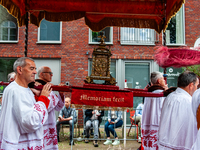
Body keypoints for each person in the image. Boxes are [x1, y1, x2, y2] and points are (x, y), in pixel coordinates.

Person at [0, 57, 51, 149]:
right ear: (20, 70)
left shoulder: (17, 88)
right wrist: (43, 99)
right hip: (21, 144)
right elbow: (30, 121)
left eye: (35, 69)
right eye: (31, 69)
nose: (35, 72)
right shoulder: (17, 91)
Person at [158, 71, 199, 150]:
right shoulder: (189, 101)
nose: (197, 89)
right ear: (191, 85)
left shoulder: (169, 97)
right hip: (181, 145)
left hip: (165, 144)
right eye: (197, 86)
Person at [32, 66, 65, 149]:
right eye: (50, 73)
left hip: (49, 122)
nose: (52, 75)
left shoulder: (48, 87)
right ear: (42, 74)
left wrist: (60, 93)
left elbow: (58, 107)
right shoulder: (35, 86)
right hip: (40, 122)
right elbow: (46, 106)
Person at [141, 71, 168, 149]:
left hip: (149, 124)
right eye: (163, 79)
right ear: (159, 81)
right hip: (159, 125)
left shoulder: (148, 94)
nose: (164, 81)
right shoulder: (161, 94)